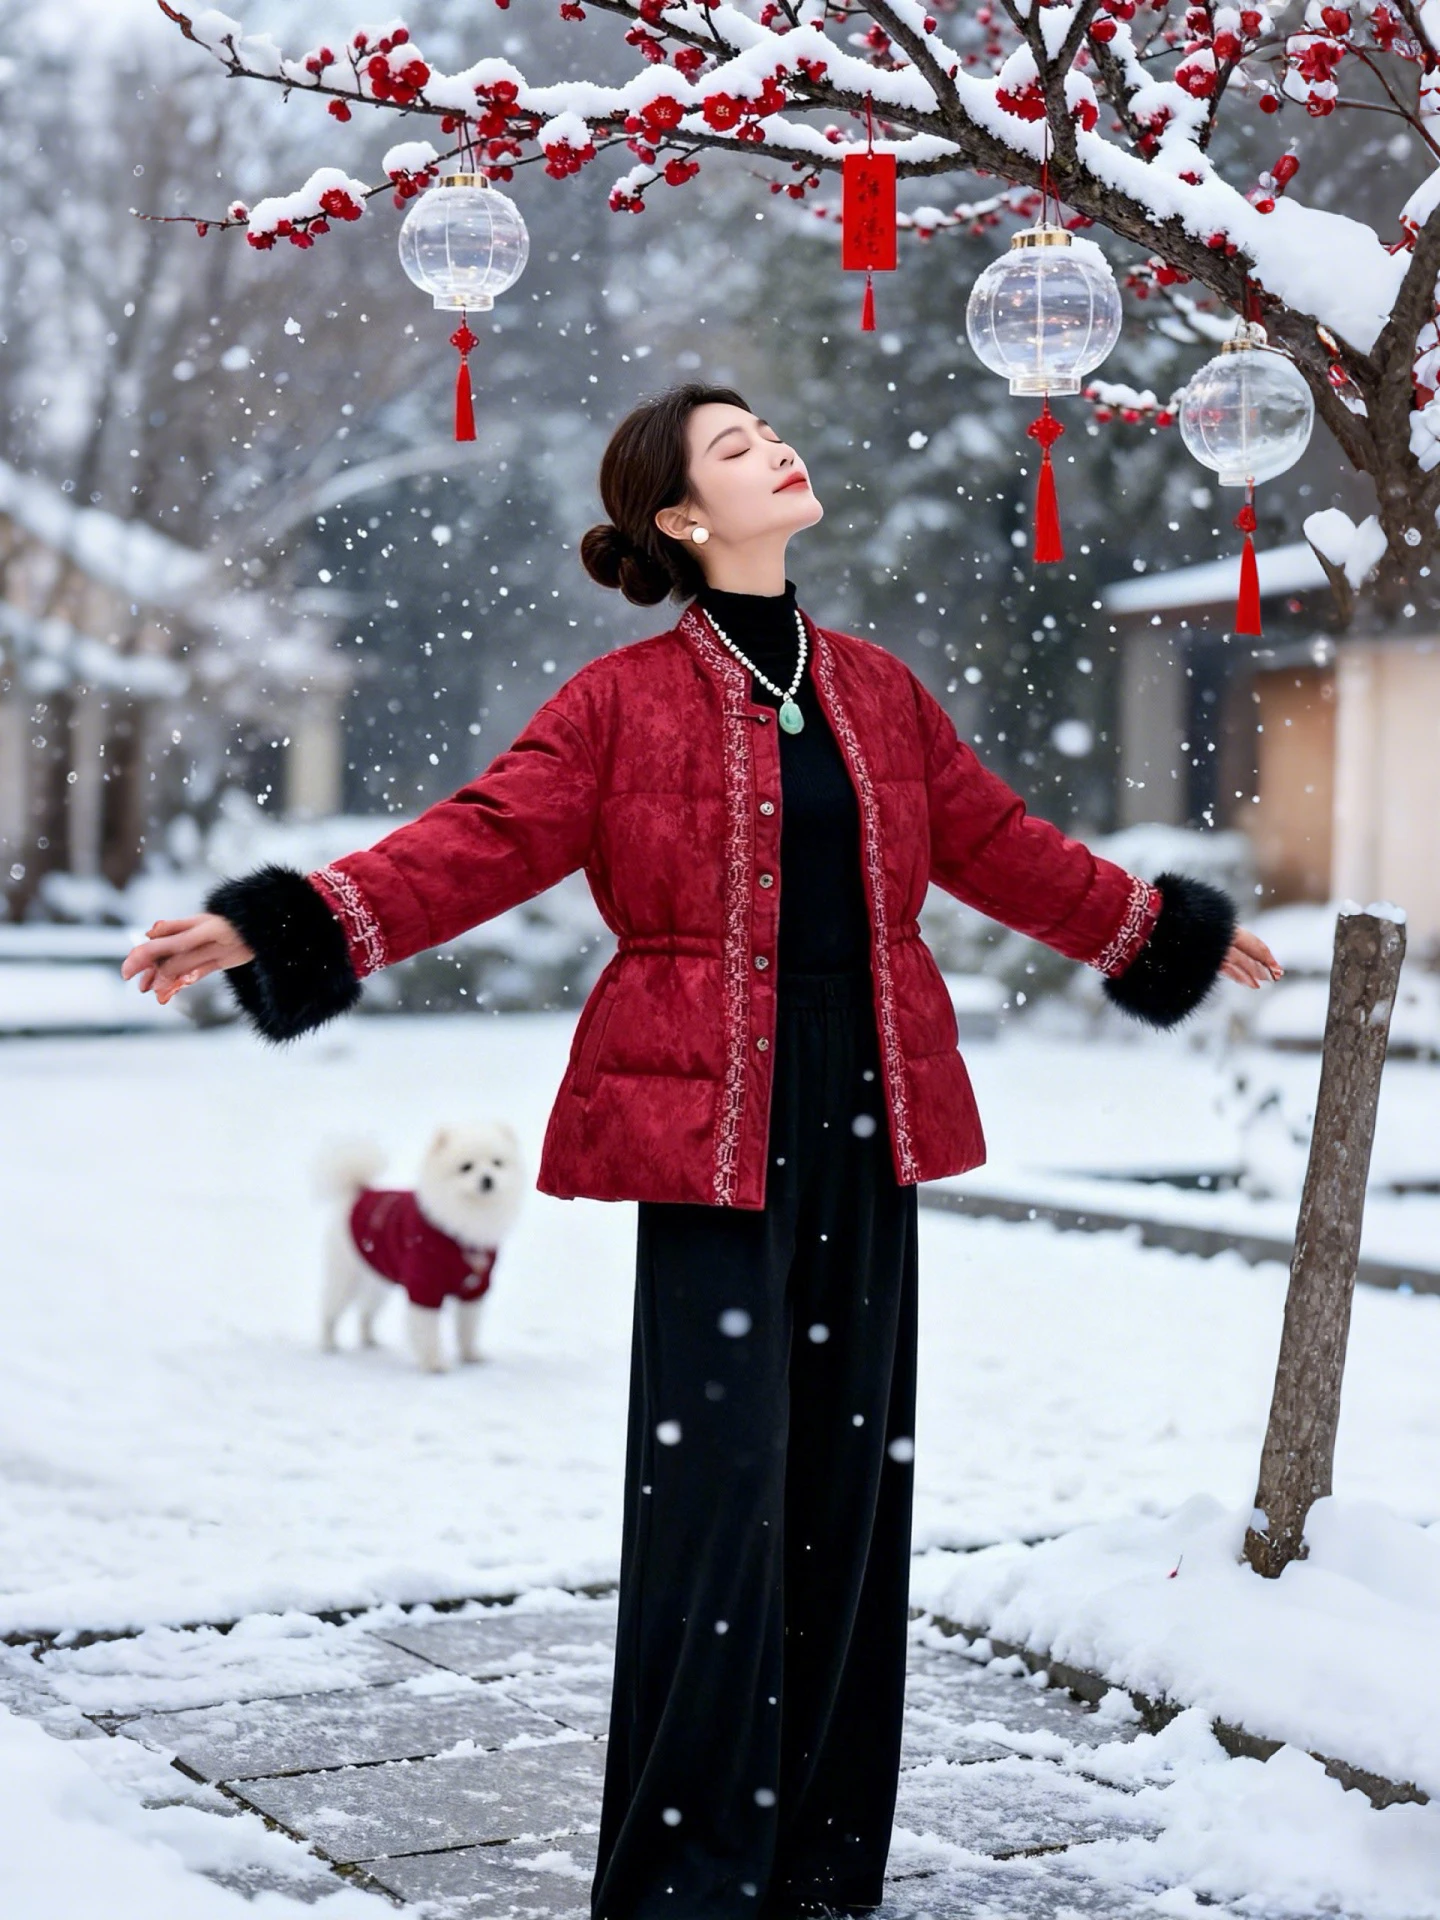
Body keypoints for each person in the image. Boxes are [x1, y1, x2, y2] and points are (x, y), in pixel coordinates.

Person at [121, 382, 1282, 1920]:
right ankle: (686, 1877)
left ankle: (820, 1868)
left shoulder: (879, 690)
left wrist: (1153, 931)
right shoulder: (619, 704)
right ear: (679, 516)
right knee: (715, 1494)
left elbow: (998, 845)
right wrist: (285, 923)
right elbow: (481, 838)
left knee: (851, 1490)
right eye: (733, 447)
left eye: (768, 431)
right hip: (704, 1120)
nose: (773, 449)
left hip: (869, 1103)